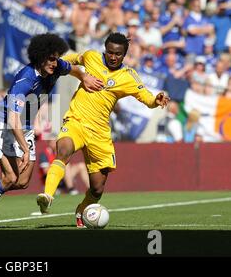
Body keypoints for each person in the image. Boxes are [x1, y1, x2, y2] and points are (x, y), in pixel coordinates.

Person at [0, 33, 104, 229]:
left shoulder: (56, 66)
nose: (55, 63)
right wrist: (24, 149)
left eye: (57, 58)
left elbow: (72, 68)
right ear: (39, 56)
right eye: (51, 58)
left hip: (26, 127)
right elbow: (13, 120)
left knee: (22, 182)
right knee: (10, 178)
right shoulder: (25, 80)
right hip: (5, 126)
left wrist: (84, 76)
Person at [35, 32, 170, 227]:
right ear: (104, 50)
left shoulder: (128, 76)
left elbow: (145, 96)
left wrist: (155, 100)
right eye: (110, 52)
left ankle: (81, 210)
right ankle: (47, 196)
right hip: (76, 121)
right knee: (63, 150)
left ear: (124, 55)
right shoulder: (91, 57)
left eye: (118, 54)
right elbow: (73, 59)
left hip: (99, 134)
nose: (113, 57)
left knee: (97, 189)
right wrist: (56, 62)